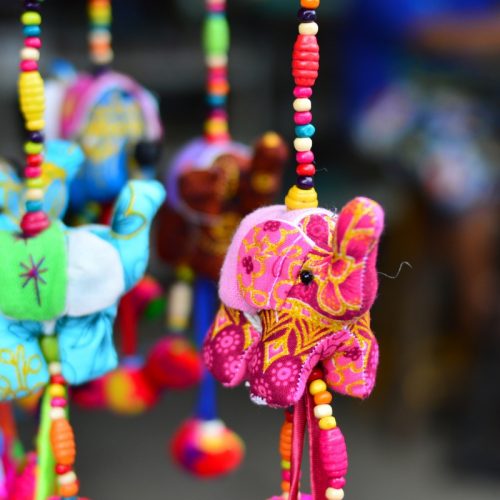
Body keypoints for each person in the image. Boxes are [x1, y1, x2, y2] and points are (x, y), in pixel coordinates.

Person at [341, 0, 500, 473]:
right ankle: (481, 340)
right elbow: (430, 33)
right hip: (390, 108)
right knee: (468, 188)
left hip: (466, 107)